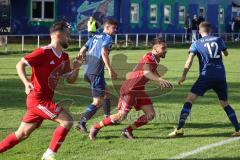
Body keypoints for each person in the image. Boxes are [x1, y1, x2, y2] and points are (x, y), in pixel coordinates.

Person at [0, 21, 83, 160]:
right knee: (67, 121)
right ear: (58, 35)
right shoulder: (43, 52)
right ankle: (49, 155)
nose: (69, 38)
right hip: (37, 99)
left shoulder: (64, 57)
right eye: (67, 35)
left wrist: (77, 66)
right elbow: (19, 64)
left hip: (44, 101)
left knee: (22, 134)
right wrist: (26, 83)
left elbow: (71, 79)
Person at [88, 38, 172, 140]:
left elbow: (152, 71)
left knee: (150, 114)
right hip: (130, 89)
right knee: (121, 116)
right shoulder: (149, 57)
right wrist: (159, 79)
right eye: (163, 48)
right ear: (155, 48)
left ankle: (128, 130)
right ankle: (95, 127)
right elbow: (147, 72)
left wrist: (160, 80)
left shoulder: (156, 58)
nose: (165, 50)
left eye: (165, 47)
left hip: (139, 89)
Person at [168, 22, 240, 138]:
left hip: (206, 75)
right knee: (225, 103)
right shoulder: (218, 39)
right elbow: (226, 53)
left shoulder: (196, 43)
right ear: (210, 30)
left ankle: (179, 129)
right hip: (220, 75)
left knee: (189, 100)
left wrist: (184, 76)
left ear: (199, 31)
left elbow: (189, 61)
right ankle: (238, 129)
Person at [75, 19, 118, 134]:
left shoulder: (94, 37)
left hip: (88, 70)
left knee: (106, 93)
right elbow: (104, 53)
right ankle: (82, 122)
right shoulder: (108, 38)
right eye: (114, 28)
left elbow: (82, 50)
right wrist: (110, 69)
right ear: (107, 27)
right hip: (96, 72)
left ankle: (107, 118)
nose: (115, 30)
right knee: (97, 101)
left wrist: (84, 60)